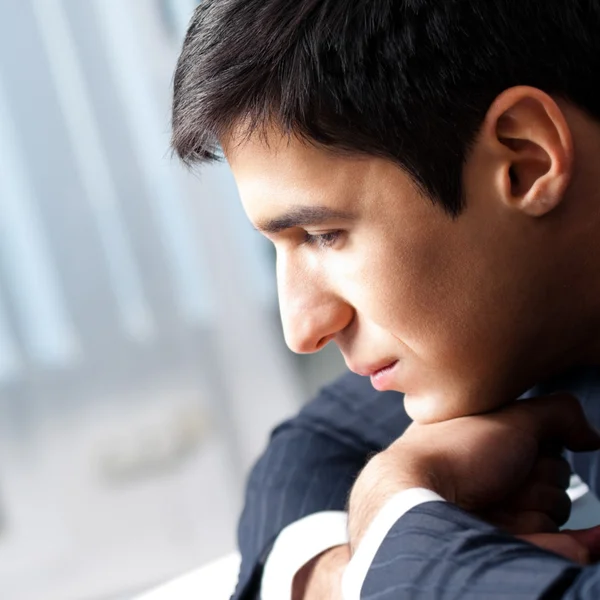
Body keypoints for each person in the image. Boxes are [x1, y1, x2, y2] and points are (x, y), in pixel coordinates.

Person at [171, 0, 600, 597]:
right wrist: (347, 571)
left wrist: (395, 523)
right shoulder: (499, 331)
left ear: (524, 162)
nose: (302, 328)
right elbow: (314, 445)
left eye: (323, 235)